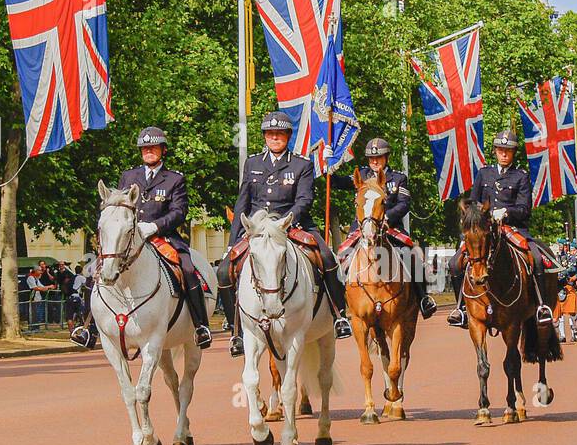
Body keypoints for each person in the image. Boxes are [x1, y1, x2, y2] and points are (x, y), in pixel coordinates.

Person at [218, 111, 353, 357]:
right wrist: (232, 241)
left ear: (288, 136)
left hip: (293, 224)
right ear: (265, 137)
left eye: (279, 134)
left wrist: (284, 222)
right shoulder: (253, 163)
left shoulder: (302, 164)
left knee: (327, 257)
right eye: (270, 134)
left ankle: (339, 315)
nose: (275, 138)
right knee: (223, 270)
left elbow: (304, 200)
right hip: (258, 229)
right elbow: (242, 203)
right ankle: (235, 329)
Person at [118, 125, 214, 349]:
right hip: (131, 239)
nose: (148, 151)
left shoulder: (174, 179)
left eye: (153, 147)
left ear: (163, 150)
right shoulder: (128, 176)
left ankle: (201, 325)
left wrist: (155, 226)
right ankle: (89, 327)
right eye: (145, 148)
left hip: (163, 237)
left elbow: (179, 212)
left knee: (188, 269)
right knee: (102, 266)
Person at [446, 130, 555, 327]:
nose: (504, 154)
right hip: (484, 229)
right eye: (500, 150)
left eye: (508, 150)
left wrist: (505, 212)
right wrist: (477, 214)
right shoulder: (484, 173)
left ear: (513, 153)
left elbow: (525, 209)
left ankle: (541, 306)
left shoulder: (521, 176)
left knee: (537, 259)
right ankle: (461, 308)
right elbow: (473, 202)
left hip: (513, 228)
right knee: (455, 263)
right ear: (495, 151)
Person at [331, 136, 436, 317]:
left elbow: (404, 204)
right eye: (371, 159)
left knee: (412, 256)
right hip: (361, 230)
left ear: (386, 157)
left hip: (390, 228)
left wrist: (386, 217)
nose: (374, 161)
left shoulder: (398, 178)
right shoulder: (362, 176)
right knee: (340, 261)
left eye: (378, 158)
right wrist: (329, 166)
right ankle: (338, 307)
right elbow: (336, 183)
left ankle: (423, 298)